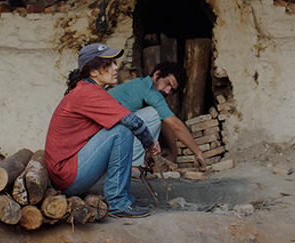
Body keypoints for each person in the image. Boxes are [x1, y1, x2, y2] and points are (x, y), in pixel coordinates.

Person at [44, 43, 161, 218]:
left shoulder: (88, 90)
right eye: (109, 64)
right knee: (122, 130)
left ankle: (124, 198)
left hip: (69, 171)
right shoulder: (87, 92)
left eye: (114, 63)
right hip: (68, 176)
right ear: (93, 72)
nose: (116, 68)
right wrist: (150, 145)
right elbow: (133, 122)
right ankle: (117, 202)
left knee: (119, 127)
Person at [109, 61, 209, 171]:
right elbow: (176, 126)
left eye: (172, 90)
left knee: (157, 114)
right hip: (105, 136)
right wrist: (198, 153)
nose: (167, 90)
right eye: (167, 83)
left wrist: (173, 154)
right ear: (157, 75)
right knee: (154, 113)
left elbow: (167, 122)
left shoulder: (142, 84)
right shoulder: (149, 91)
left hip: (110, 136)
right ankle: (132, 166)